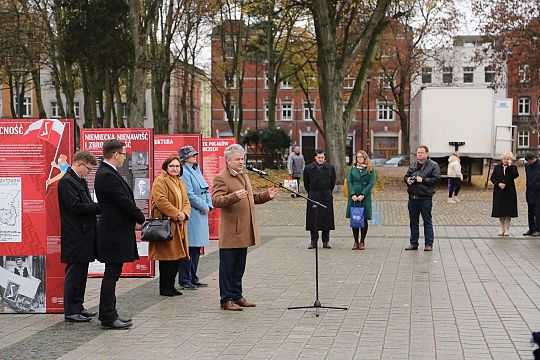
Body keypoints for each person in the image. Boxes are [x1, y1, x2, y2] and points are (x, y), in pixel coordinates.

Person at [212, 144, 277, 311]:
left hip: (244, 230)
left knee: (239, 267)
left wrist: (266, 196)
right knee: (227, 268)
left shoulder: (244, 175)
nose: (241, 162)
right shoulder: (221, 177)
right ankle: (226, 300)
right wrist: (233, 197)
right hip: (231, 232)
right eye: (237, 159)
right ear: (228, 161)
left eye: (242, 158)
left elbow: (251, 198)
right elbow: (216, 200)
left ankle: (237, 296)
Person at [94, 139, 146, 330]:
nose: (125, 157)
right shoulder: (107, 174)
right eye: (124, 154)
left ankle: (109, 314)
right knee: (112, 274)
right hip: (113, 232)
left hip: (115, 229)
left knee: (113, 273)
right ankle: (108, 317)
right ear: (115, 154)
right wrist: (140, 217)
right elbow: (122, 201)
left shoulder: (109, 173)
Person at [57, 150, 101, 323]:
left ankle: (78, 307)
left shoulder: (79, 181)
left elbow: (85, 204)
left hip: (83, 235)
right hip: (75, 235)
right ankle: (71, 311)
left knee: (81, 275)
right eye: (88, 169)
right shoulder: (67, 181)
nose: (89, 173)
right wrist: (100, 207)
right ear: (79, 164)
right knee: (74, 274)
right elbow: (75, 207)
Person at [150, 156, 191, 296]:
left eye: (177, 166)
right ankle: (164, 287)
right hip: (167, 225)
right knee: (166, 258)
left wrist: (184, 214)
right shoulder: (160, 181)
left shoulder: (180, 182)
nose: (175, 168)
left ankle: (171, 286)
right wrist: (176, 214)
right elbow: (161, 201)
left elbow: (186, 201)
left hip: (179, 225)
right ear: (166, 167)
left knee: (177, 257)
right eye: (172, 166)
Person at [178, 145, 212, 290]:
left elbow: (205, 189)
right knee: (190, 247)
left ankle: (193, 277)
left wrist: (209, 205)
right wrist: (204, 206)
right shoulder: (184, 171)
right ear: (184, 158)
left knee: (196, 248)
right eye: (191, 154)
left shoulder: (195, 169)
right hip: (193, 213)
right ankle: (185, 279)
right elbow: (189, 195)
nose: (194, 156)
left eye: (194, 154)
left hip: (200, 212)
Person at [404, 145, 441, 251]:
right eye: (418, 153)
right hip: (412, 198)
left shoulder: (433, 165)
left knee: (427, 221)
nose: (419, 154)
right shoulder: (413, 164)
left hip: (425, 198)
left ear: (427, 154)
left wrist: (423, 180)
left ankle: (429, 244)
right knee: (413, 222)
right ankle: (413, 243)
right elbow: (406, 176)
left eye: (421, 153)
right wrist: (407, 180)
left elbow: (436, 179)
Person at [303, 149, 336, 249]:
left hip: (326, 195)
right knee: (313, 219)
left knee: (327, 219)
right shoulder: (308, 168)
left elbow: (332, 182)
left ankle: (325, 241)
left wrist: (328, 192)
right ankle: (313, 241)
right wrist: (312, 192)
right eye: (319, 157)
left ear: (324, 157)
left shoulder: (330, 168)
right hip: (314, 195)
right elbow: (306, 183)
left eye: (322, 157)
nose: (320, 159)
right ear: (315, 157)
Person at [345, 150, 375, 250]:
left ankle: (362, 241)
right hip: (353, 197)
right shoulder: (352, 168)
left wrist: (363, 194)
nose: (359, 159)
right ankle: (355, 242)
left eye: (361, 157)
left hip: (364, 198)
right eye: (358, 157)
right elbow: (349, 182)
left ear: (365, 158)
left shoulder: (370, 169)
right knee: (355, 219)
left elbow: (371, 184)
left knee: (364, 219)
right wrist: (352, 194)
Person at [490, 152, 519, 236]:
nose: (506, 160)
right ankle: (501, 228)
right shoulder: (497, 167)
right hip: (499, 191)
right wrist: (498, 184)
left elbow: (515, 175)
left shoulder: (513, 168)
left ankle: (507, 229)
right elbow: (492, 178)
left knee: (508, 211)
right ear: (502, 159)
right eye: (505, 159)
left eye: (508, 159)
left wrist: (510, 167)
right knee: (500, 210)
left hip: (509, 192)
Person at [524, 153, 540, 236]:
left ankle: (538, 229)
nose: (528, 162)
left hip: (538, 192)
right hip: (529, 191)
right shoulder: (527, 166)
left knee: (537, 211)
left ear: (533, 158)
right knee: (530, 211)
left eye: (529, 161)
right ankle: (531, 228)